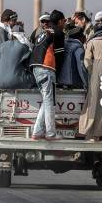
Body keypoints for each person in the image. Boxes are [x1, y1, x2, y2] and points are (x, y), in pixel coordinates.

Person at [28, 10, 66, 140]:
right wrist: (59, 76)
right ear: (60, 21)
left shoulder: (43, 33)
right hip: (46, 68)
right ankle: (50, 133)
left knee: (46, 99)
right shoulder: (58, 33)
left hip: (35, 68)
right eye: (64, 21)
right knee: (50, 102)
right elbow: (60, 57)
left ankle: (37, 132)